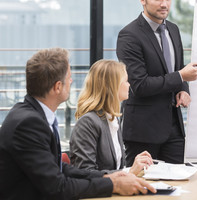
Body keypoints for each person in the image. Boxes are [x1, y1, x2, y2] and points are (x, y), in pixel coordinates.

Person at [0, 48, 156, 199]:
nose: (72, 80)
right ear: (58, 87)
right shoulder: (28, 124)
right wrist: (112, 185)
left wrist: (109, 176)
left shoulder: (34, 115)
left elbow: (60, 168)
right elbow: (57, 187)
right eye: (68, 77)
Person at [116, 0, 197, 165]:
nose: (164, 4)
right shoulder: (129, 36)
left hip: (174, 127)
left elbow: (177, 68)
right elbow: (139, 85)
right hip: (143, 131)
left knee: (182, 184)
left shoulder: (173, 29)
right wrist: (181, 76)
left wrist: (183, 88)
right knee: (144, 189)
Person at [70, 59, 153, 175]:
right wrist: (130, 172)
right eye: (126, 81)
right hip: (99, 193)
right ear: (113, 86)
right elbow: (85, 173)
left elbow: (117, 168)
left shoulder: (112, 119)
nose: (129, 85)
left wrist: (134, 168)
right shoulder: (88, 122)